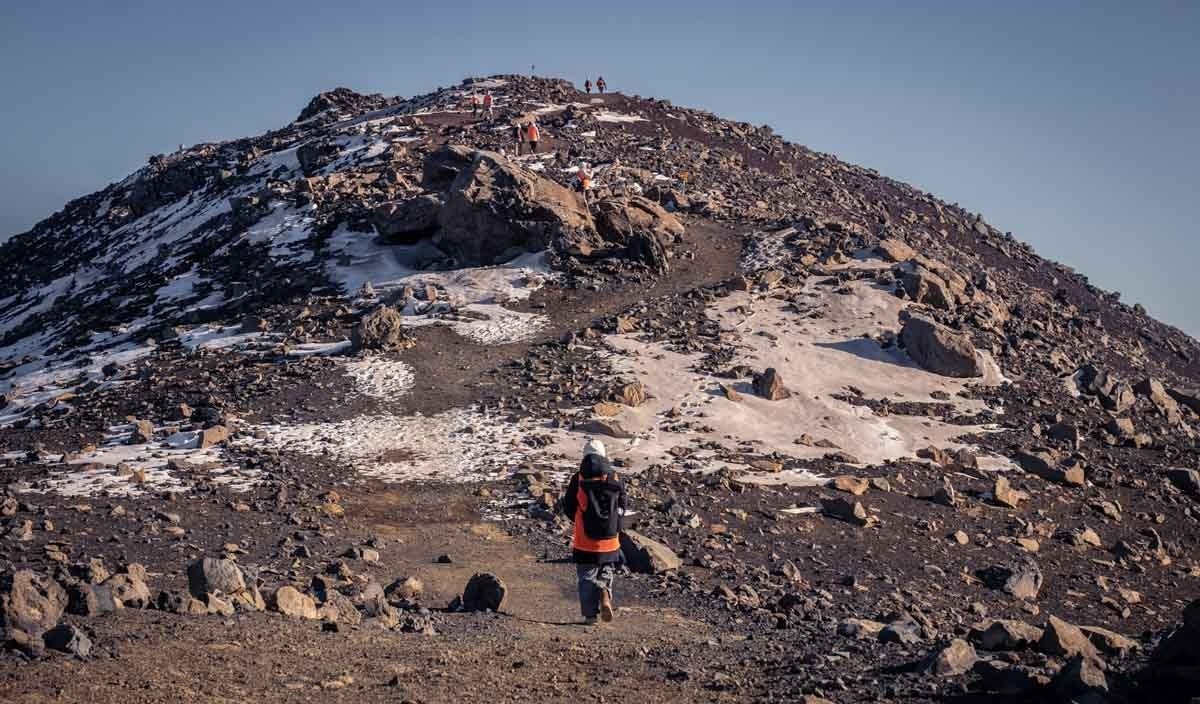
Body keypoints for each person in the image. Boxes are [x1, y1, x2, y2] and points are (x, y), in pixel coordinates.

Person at [560, 438, 626, 624]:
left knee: (586, 575)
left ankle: (590, 617)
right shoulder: (614, 477)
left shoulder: (578, 478)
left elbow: (568, 506)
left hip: (585, 540)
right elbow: (623, 505)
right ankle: (605, 593)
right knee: (606, 568)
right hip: (611, 538)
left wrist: (580, 520)